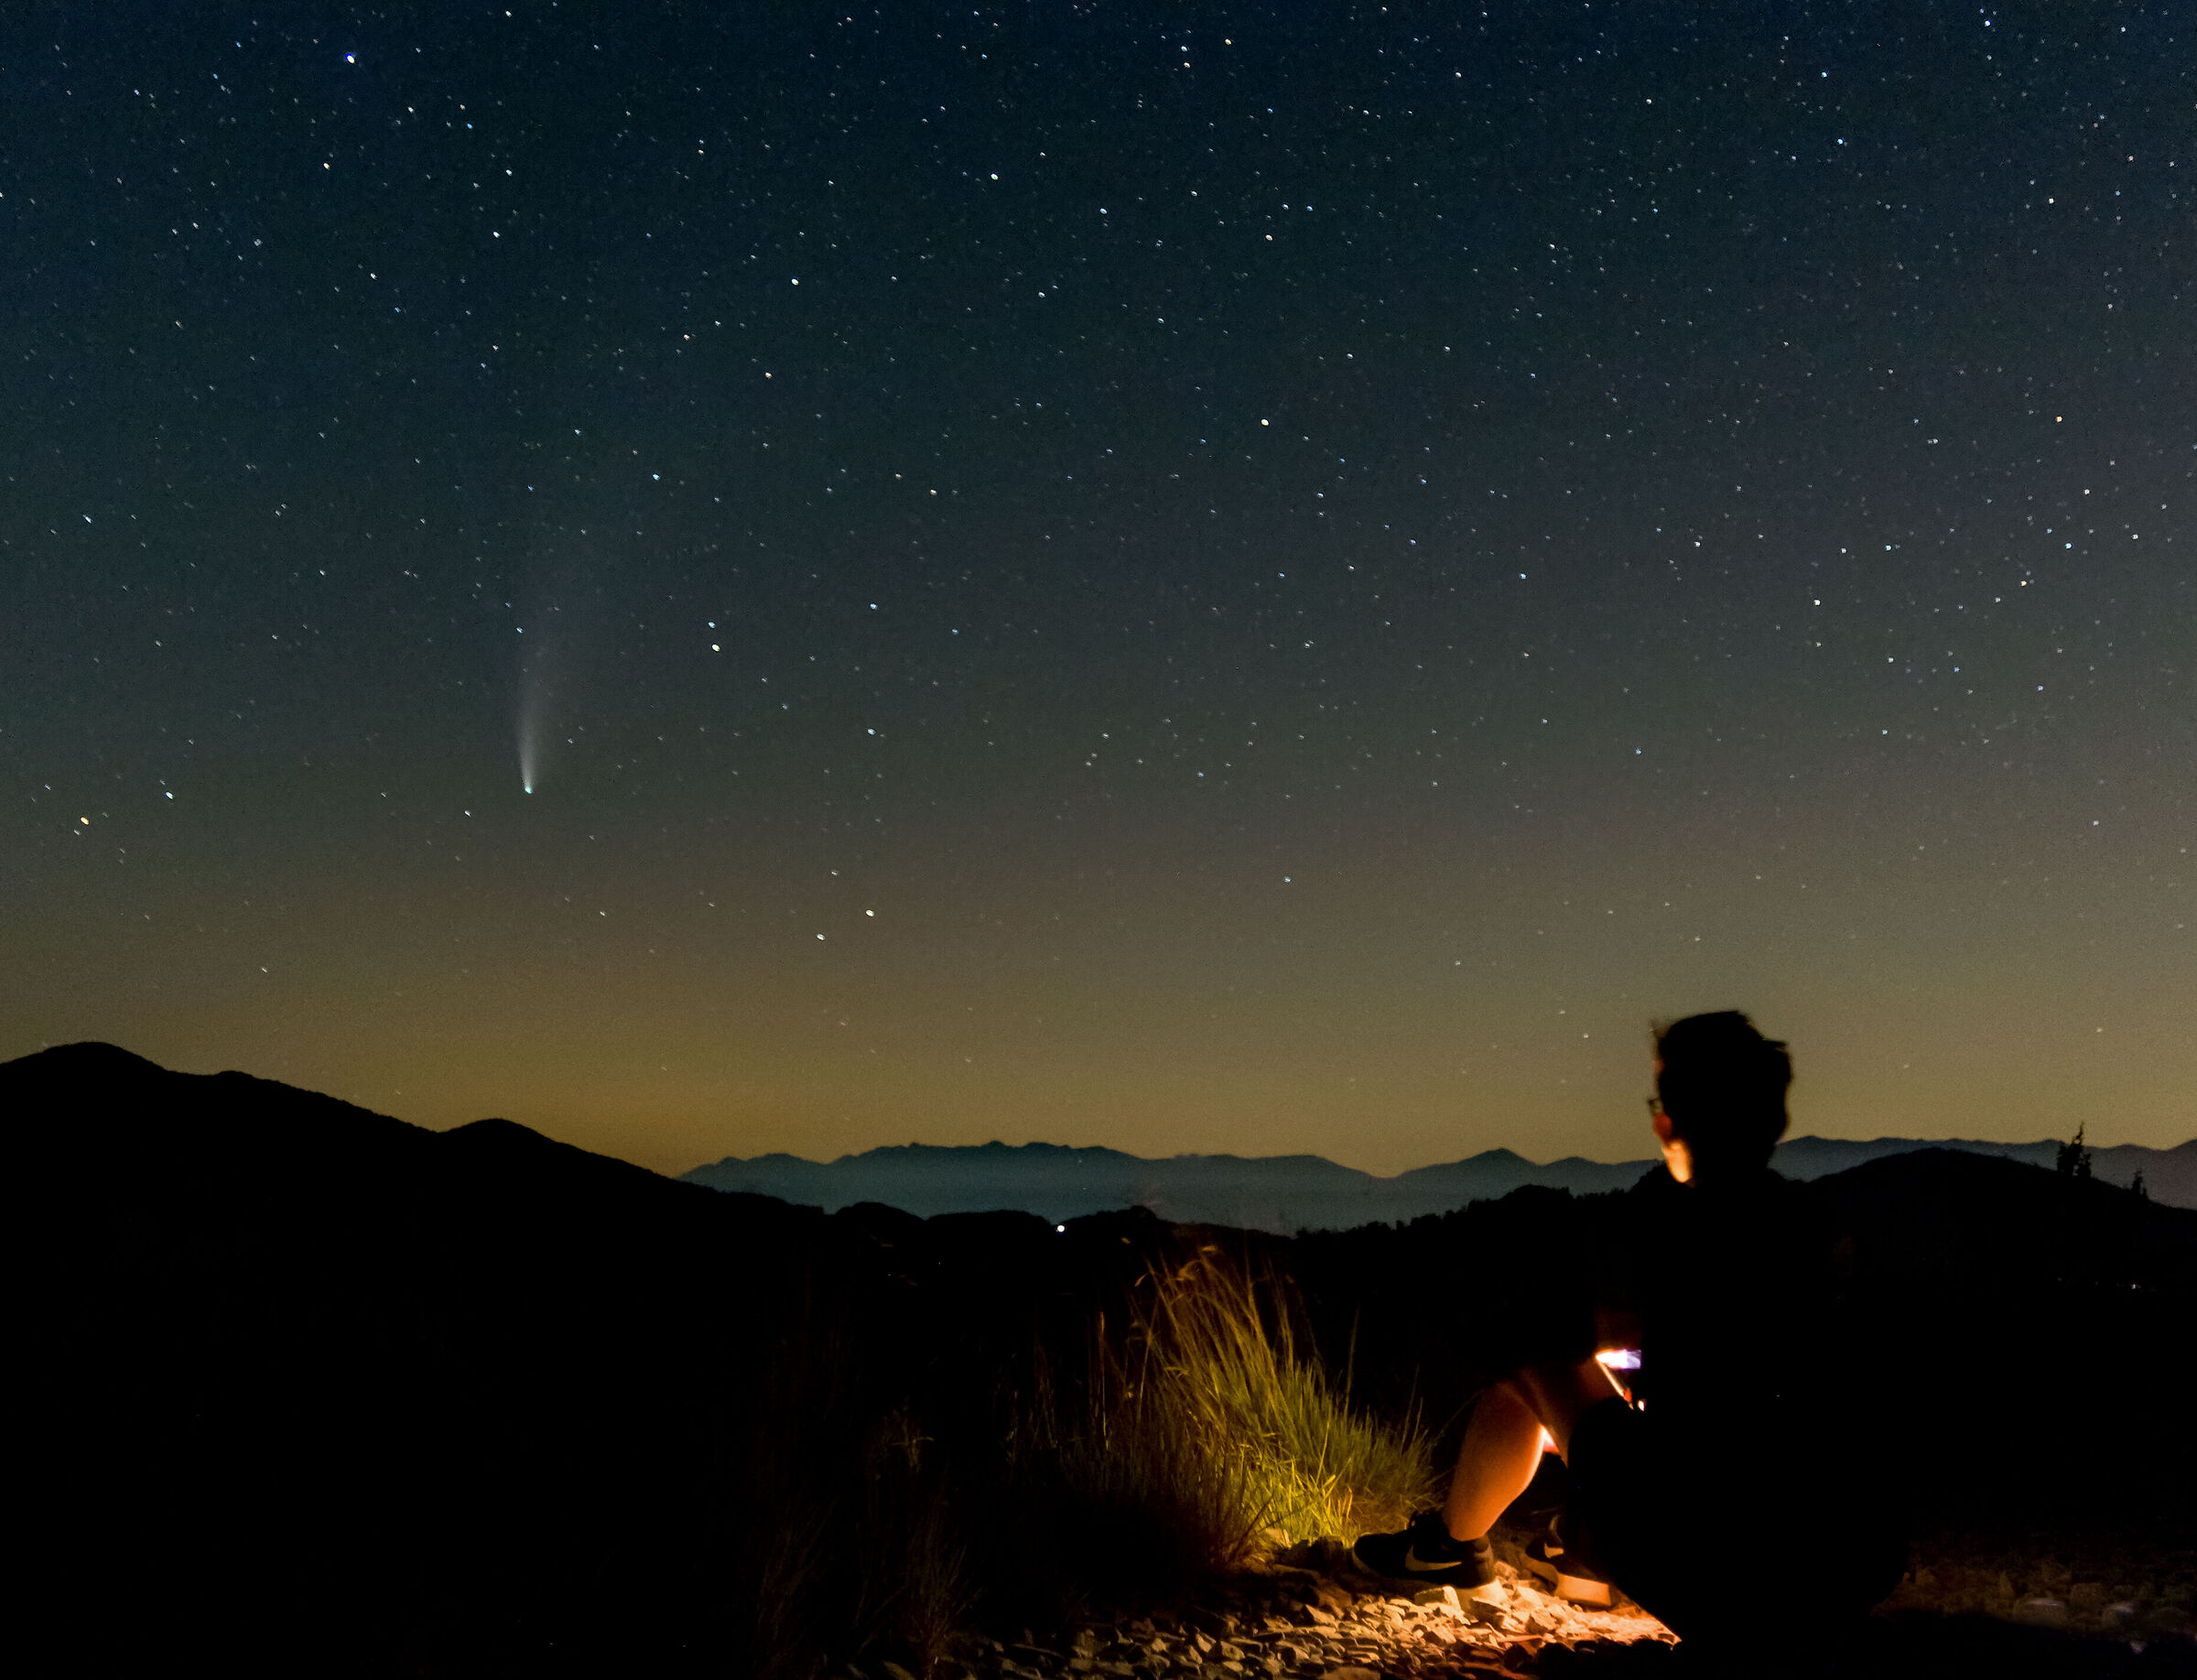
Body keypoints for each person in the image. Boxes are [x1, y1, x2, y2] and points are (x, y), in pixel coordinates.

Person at [1350, 1012, 1906, 1642]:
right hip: (1853, 1570)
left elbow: (1567, 1338)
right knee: (1640, 1398)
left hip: (1732, 1579)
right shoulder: (1812, 1228)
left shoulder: (1680, 1221)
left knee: (1536, 1359)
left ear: (1670, 1119)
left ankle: (1464, 1546)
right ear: (1774, 1117)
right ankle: (1565, 1549)